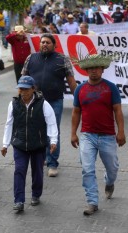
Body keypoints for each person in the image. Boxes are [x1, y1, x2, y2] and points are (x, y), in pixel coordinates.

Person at [71, 54, 126, 215]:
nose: (93, 71)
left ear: (102, 69)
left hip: (108, 136)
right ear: (86, 70)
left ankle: (109, 183)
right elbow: (76, 112)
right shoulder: (80, 89)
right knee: (87, 169)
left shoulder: (111, 88)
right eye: (90, 68)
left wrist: (121, 132)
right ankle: (92, 202)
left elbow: (118, 110)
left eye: (96, 68)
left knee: (113, 168)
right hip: (87, 135)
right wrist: (73, 133)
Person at [22, 34, 77, 177]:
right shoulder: (31, 58)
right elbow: (23, 79)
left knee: (53, 130)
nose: (44, 44)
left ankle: (52, 163)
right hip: (35, 101)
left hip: (54, 101)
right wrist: (20, 97)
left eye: (47, 42)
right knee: (37, 130)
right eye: (42, 42)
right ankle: (41, 158)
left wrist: (78, 100)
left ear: (54, 45)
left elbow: (71, 81)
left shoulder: (62, 59)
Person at [1, 76, 58, 213]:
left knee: (37, 171)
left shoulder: (43, 104)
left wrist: (53, 140)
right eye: (21, 89)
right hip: (19, 144)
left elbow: (51, 122)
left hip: (38, 144)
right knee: (19, 170)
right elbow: (9, 124)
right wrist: (5, 144)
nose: (23, 92)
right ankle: (19, 200)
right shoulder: (13, 104)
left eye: (26, 89)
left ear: (33, 89)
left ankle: (36, 194)